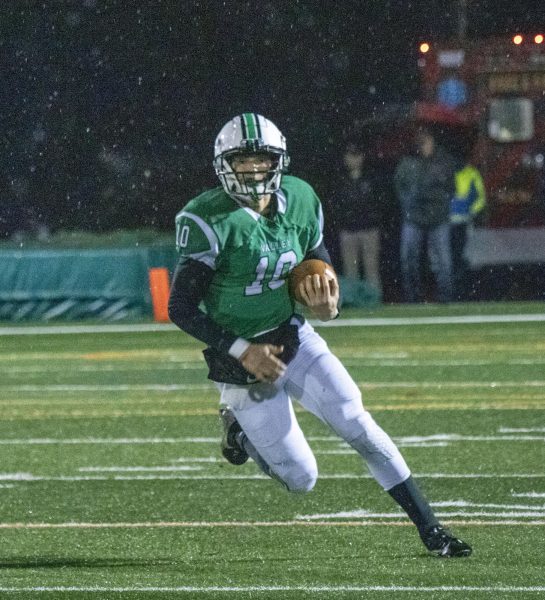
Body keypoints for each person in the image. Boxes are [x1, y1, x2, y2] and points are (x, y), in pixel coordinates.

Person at [168, 113, 472, 557]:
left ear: (279, 161)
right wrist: (242, 350)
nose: (254, 172)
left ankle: (432, 530)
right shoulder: (207, 218)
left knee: (358, 423)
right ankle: (239, 433)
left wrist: (329, 304)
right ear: (223, 165)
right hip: (240, 362)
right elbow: (179, 307)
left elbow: (318, 263)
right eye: (243, 162)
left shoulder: (301, 198)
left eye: (262, 161)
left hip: (294, 335)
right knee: (301, 478)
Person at [394, 127, 457, 303]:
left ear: (432, 141)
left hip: (437, 218)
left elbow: (451, 189)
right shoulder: (408, 163)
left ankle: (446, 297)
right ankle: (412, 298)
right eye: (420, 143)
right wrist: (409, 204)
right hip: (414, 217)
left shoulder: (444, 162)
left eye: (426, 141)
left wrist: (436, 201)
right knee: (409, 259)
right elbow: (400, 187)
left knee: (443, 261)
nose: (423, 146)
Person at [332, 141, 383, 294]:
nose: (353, 159)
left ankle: (373, 300)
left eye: (356, 155)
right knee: (350, 271)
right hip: (348, 230)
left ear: (362, 157)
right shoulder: (340, 179)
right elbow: (336, 204)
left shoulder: (371, 178)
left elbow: (379, 202)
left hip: (369, 229)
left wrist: (374, 219)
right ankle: (354, 300)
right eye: (350, 156)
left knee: (371, 269)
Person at [450, 162, 486, 300]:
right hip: (446, 223)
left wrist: (470, 212)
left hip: (463, 222)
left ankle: (462, 291)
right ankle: (453, 291)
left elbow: (480, 198)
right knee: (450, 257)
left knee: (461, 255)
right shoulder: (447, 171)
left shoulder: (471, 173)